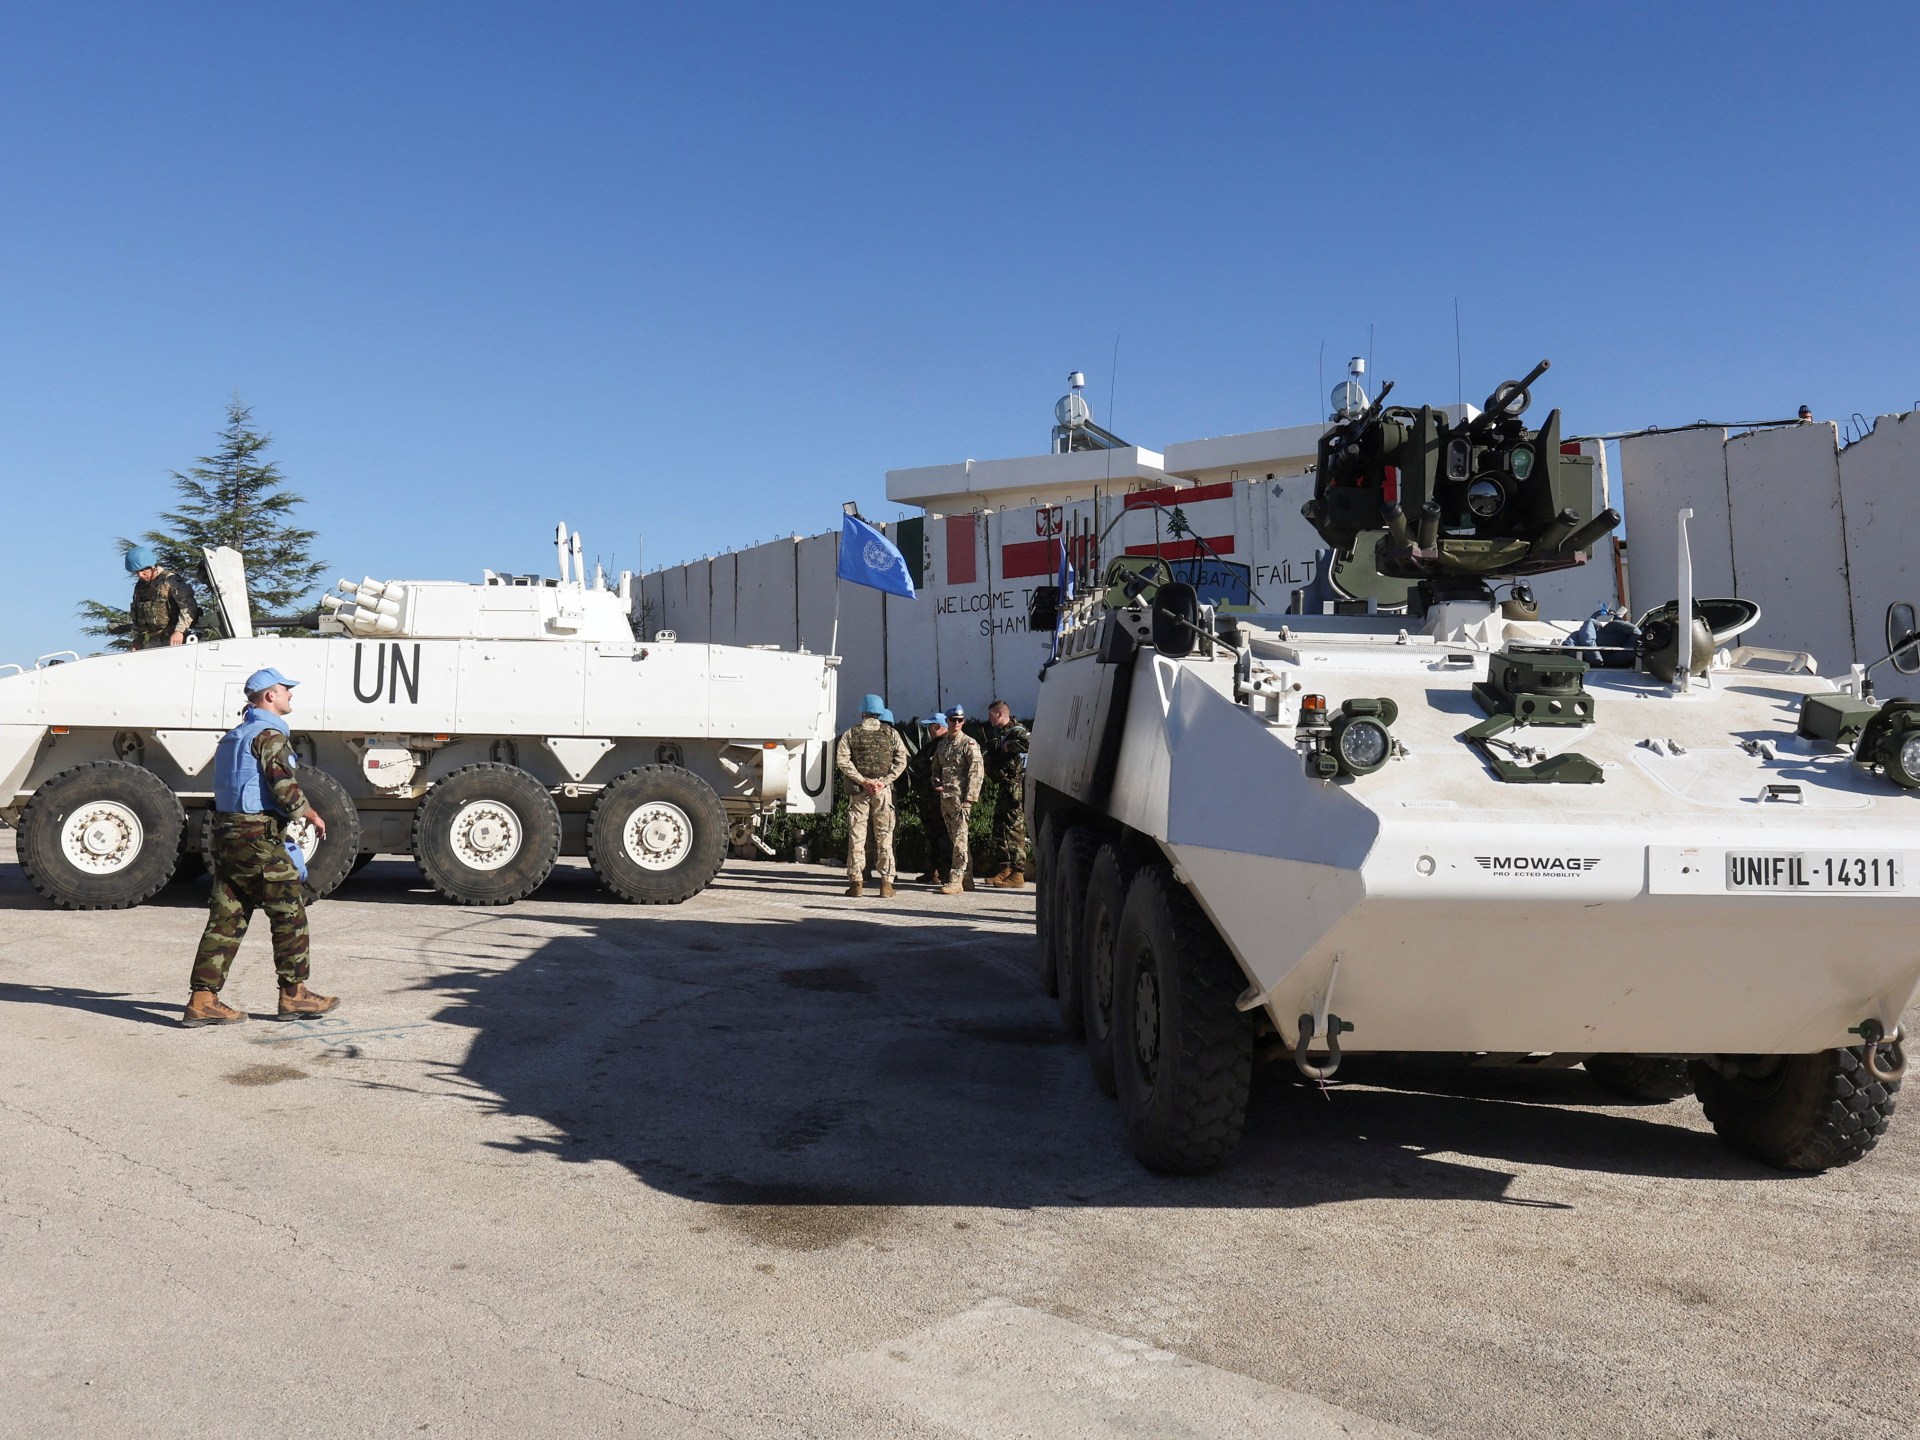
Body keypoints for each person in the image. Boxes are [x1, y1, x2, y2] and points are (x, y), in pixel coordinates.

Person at [182, 667, 339, 1027]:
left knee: (228, 915)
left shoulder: (235, 735)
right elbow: (281, 783)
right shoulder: (269, 735)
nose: (291, 696)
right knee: (289, 911)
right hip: (255, 836)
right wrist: (308, 813)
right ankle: (294, 995)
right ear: (269, 696)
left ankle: (202, 999)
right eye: (286, 690)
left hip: (225, 832)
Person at [834, 693, 908, 898]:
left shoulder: (852, 733)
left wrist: (862, 780)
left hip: (860, 793)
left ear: (862, 711)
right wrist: (883, 782)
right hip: (882, 792)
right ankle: (886, 885)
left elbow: (842, 761)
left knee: (857, 836)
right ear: (880, 711)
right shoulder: (891, 733)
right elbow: (901, 761)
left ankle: (856, 883)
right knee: (885, 836)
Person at [932, 705, 984, 895]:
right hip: (946, 798)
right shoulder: (942, 744)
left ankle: (956, 879)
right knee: (957, 839)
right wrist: (935, 780)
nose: (956, 723)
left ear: (964, 722)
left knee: (960, 839)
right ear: (947, 720)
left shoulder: (969, 743)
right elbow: (936, 767)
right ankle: (967, 878)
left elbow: (977, 772)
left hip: (961, 799)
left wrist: (970, 798)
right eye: (953, 720)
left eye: (960, 720)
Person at [982, 699, 1031, 889]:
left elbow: (1029, 742)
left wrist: (1006, 747)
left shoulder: (1016, 731)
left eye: (991, 714)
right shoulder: (999, 734)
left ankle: (1018, 873)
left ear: (1000, 714)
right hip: (1004, 786)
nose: (989, 718)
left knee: (1014, 828)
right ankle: (1005, 868)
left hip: (1014, 786)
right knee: (1000, 827)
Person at [125, 544, 201, 650]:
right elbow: (137, 615)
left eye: (143, 571)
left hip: (175, 639)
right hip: (152, 642)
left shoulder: (170, 580)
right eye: (137, 573)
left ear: (152, 567)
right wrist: (138, 640)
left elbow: (188, 606)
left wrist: (179, 631)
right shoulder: (140, 587)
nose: (140, 575)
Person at [905, 713, 952, 884]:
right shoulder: (934, 745)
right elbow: (918, 762)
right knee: (932, 836)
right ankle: (932, 870)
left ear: (938, 726)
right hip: (929, 799)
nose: (929, 730)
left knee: (943, 836)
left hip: (939, 799)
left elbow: (923, 764)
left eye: (930, 727)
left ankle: (943, 872)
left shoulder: (945, 744)